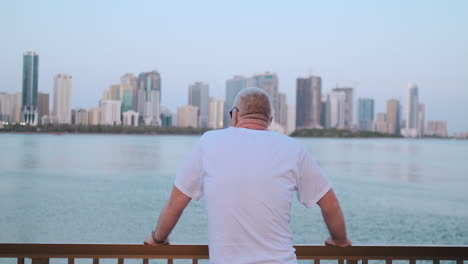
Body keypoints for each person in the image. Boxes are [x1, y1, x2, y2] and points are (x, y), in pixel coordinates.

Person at [144, 87, 351, 263]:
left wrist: (159, 238)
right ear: (269, 120)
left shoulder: (209, 142)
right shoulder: (293, 148)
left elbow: (176, 202)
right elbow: (330, 204)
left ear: (234, 115)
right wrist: (339, 241)